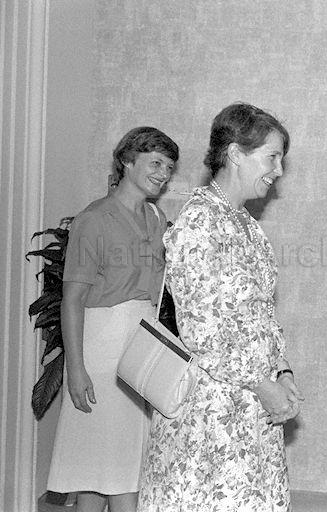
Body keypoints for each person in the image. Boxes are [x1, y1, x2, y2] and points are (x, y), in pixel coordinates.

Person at [137, 103, 303, 511]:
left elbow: (262, 315)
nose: (278, 170)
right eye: (272, 157)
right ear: (234, 154)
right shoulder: (198, 223)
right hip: (211, 414)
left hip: (251, 407)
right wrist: (264, 385)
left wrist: (282, 371)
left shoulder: (247, 224)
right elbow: (204, 332)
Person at [47, 127, 179, 512]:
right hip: (101, 350)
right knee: (103, 469)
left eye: (169, 168)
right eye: (156, 163)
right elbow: (72, 300)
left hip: (140, 346)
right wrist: (76, 369)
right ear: (127, 161)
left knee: (115, 467)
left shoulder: (156, 217)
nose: (163, 174)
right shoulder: (94, 219)